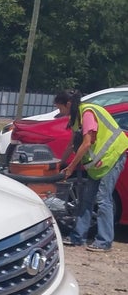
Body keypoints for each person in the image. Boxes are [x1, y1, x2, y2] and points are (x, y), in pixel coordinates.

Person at [54, 89, 128, 252]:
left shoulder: (88, 113)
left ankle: (104, 241)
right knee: (86, 199)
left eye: (60, 108)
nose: (60, 113)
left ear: (68, 104)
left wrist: (71, 167)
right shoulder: (76, 118)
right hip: (99, 163)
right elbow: (72, 144)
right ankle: (77, 236)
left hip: (113, 156)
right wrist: (61, 163)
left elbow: (87, 143)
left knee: (103, 199)